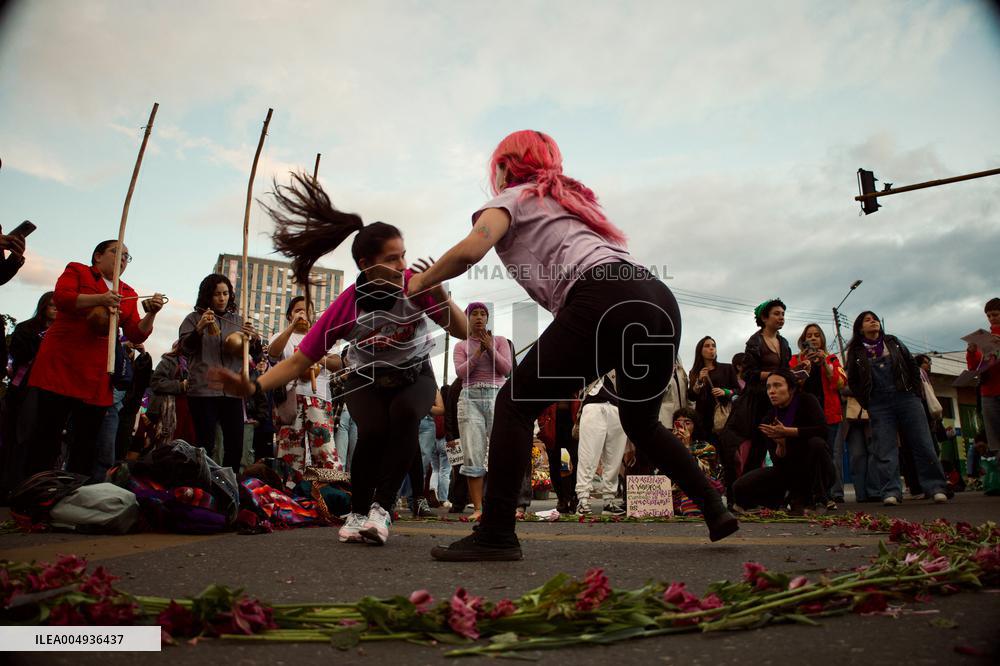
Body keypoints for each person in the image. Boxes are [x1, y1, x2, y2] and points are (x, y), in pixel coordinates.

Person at [405, 130, 737, 561]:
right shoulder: (568, 204)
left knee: (516, 403)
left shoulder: (512, 198)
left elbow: (472, 249)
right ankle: (714, 509)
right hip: (656, 300)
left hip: (603, 297)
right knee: (642, 422)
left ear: (507, 166)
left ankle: (497, 533)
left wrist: (421, 282)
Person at [210, 173, 467, 547]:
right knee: (374, 433)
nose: (403, 265)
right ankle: (359, 510)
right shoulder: (346, 306)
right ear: (366, 263)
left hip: (414, 374)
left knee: (406, 416)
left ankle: (382, 509)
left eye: (404, 255)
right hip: (367, 378)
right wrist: (253, 385)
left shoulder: (417, 285)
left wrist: (441, 293)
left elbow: (460, 330)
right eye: (393, 259)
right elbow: (299, 361)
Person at [24, 240, 164, 478]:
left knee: (86, 442)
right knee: (46, 436)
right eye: (117, 252)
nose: (122, 258)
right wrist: (101, 299)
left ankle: (72, 492)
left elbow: (135, 332)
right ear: (98, 257)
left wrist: (151, 313)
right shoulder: (78, 271)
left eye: (127, 256)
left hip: (97, 373)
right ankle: (33, 494)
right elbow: (63, 298)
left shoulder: (127, 292)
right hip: (61, 365)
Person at [845, 311, 949, 505]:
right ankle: (891, 491)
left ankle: (936, 487)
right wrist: (868, 401)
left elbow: (911, 365)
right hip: (879, 403)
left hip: (906, 398)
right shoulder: (856, 350)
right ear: (860, 328)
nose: (873, 321)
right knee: (885, 449)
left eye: (874, 318)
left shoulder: (893, 342)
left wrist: (915, 393)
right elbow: (853, 379)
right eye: (867, 320)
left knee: (923, 442)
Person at [179, 274, 256, 472]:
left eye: (225, 293)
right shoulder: (193, 318)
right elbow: (185, 349)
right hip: (203, 391)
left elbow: (255, 355)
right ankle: (201, 482)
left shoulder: (239, 321)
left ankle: (230, 485)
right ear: (207, 296)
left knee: (235, 445)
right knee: (205, 443)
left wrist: (252, 339)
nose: (222, 298)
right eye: (216, 294)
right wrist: (199, 328)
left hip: (231, 391)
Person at [718, 299, 791, 506]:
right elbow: (749, 374)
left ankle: (779, 496)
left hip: (777, 403)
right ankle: (740, 496)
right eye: (776, 313)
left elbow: (785, 372)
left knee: (778, 448)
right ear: (764, 318)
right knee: (754, 449)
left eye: (783, 314)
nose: (781, 317)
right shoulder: (755, 342)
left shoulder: (784, 343)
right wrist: (774, 374)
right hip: (756, 403)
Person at [732, 369, 832, 514]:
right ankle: (788, 500)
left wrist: (788, 432)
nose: (772, 391)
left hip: (816, 469)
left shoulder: (806, 401)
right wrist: (781, 445)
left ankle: (819, 499)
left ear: (791, 389)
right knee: (739, 487)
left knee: (816, 443)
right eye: (768, 387)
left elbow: (823, 431)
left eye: (778, 386)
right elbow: (780, 465)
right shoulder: (770, 418)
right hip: (790, 472)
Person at [268, 295, 342, 482]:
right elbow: (273, 353)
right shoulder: (282, 336)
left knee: (325, 452)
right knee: (289, 454)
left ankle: (330, 495)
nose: (303, 314)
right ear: (289, 315)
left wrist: (317, 358)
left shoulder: (323, 337)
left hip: (318, 399)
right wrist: (292, 327)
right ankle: (290, 495)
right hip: (290, 400)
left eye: (307, 310)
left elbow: (338, 363)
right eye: (297, 310)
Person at [453, 302, 512, 521]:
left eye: (483, 314)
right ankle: (478, 507)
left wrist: (491, 349)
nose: (479, 317)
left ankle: (500, 505)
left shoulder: (500, 341)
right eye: (474, 314)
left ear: (488, 319)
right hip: (470, 399)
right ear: (467, 319)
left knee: (500, 449)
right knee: (472, 452)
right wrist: (478, 352)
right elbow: (461, 374)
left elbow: (506, 369)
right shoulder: (461, 346)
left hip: (497, 395)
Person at [0, 291, 54, 500]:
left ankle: (33, 485)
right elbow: (18, 356)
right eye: (52, 306)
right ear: (43, 307)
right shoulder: (26, 329)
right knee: (17, 438)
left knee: (38, 439)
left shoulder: (64, 334)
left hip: (48, 391)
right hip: (24, 389)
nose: (56, 310)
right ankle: (9, 485)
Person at [788, 324, 845, 506]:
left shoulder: (832, 358)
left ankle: (834, 493)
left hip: (830, 414)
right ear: (803, 340)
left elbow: (840, 383)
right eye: (809, 335)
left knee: (832, 454)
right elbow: (790, 384)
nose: (813, 338)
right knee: (809, 452)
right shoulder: (794, 359)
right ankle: (813, 492)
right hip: (805, 417)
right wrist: (803, 366)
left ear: (822, 339)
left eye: (816, 335)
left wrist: (825, 364)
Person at [574, 371, 627, 516]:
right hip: (593, 404)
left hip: (617, 406)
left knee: (614, 458)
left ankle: (609, 500)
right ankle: (583, 499)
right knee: (588, 456)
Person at [669, 407, 723, 517]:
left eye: (687, 423)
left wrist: (687, 447)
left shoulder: (706, 447)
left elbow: (703, 472)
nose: (682, 427)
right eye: (678, 423)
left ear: (695, 426)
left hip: (697, 487)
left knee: (692, 488)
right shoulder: (668, 446)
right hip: (674, 491)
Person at [687, 336, 740, 439]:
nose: (711, 348)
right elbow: (691, 397)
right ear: (700, 351)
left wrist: (725, 392)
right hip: (703, 419)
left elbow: (739, 391)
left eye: (713, 346)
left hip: (724, 417)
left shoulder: (727, 368)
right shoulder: (694, 372)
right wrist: (699, 381)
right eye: (707, 346)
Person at [967, 298, 1000, 451]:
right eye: (989, 316)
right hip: (988, 392)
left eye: (995, 314)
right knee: (994, 438)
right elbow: (974, 366)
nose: (992, 318)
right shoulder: (984, 337)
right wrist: (972, 352)